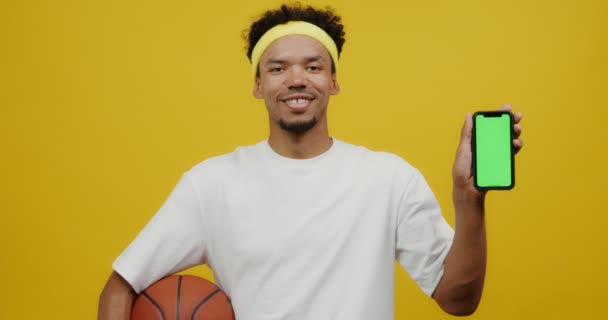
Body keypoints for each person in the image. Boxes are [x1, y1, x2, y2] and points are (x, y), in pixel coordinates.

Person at [98, 3, 523, 320]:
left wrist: (469, 201)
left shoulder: (388, 179)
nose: (297, 79)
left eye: (314, 66)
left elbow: (458, 299)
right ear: (258, 85)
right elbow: (119, 288)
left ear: (333, 81)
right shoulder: (210, 184)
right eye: (278, 68)